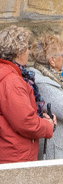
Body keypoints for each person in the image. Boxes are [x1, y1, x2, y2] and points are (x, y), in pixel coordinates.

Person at [0, 26, 55, 164]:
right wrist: (47, 125)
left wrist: (41, 119)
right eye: (27, 47)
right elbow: (25, 122)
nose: (29, 51)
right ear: (18, 51)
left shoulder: (8, 74)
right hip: (15, 156)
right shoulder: (12, 81)